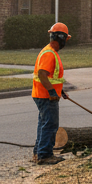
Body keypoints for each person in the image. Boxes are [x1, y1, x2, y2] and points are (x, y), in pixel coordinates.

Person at [33, 22, 71, 165]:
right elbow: (42, 75)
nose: (65, 43)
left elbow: (51, 77)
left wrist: (60, 91)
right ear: (60, 37)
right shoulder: (49, 53)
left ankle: (38, 153)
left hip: (44, 94)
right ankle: (44, 155)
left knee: (43, 124)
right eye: (65, 39)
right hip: (46, 96)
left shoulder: (50, 52)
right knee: (50, 125)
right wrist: (51, 91)